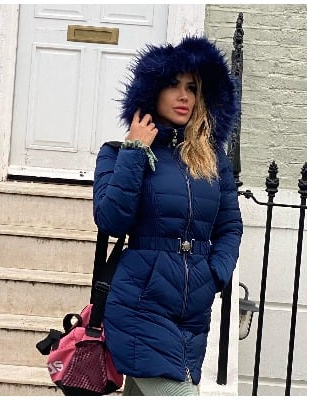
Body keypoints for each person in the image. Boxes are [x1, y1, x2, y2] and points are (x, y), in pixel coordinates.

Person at [93, 37, 243, 396]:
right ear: (152, 92)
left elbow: (230, 226)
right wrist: (135, 150)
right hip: (141, 302)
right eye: (173, 85)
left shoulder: (213, 160)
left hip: (193, 311)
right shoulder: (118, 154)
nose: (184, 96)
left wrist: (216, 272)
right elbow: (111, 220)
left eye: (192, 88)